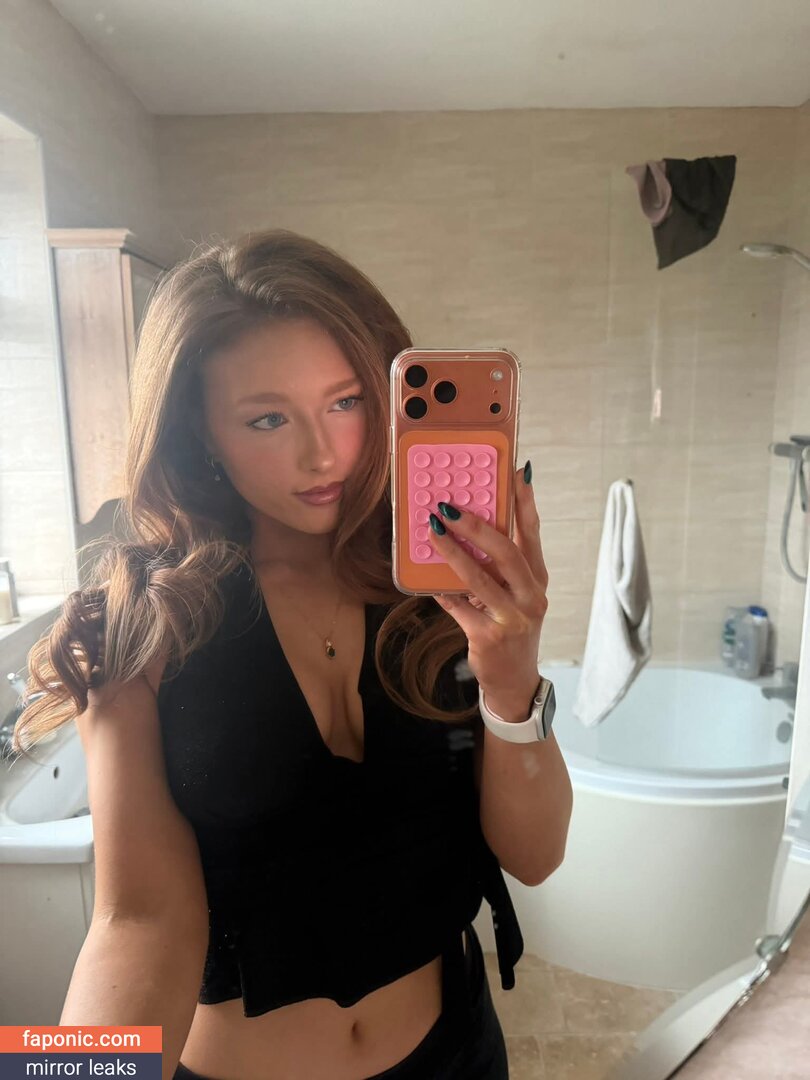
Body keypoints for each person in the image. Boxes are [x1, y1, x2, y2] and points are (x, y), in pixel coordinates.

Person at [15, 229, 573, 1080]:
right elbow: (138, 924)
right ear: (200, 431)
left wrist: (511, 677)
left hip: (455, 1052)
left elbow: (535, 858)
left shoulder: (440, 592)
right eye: (267, 419)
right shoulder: (139, 624)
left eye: (346, 402)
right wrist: (66, 1073)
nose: (321, 455)